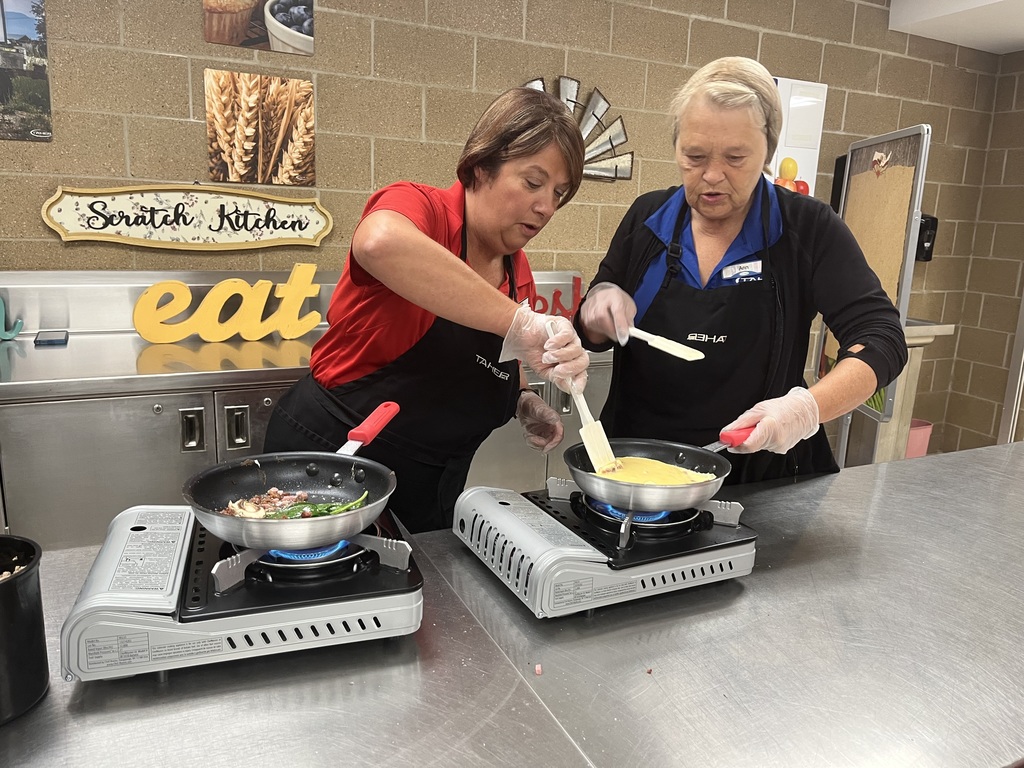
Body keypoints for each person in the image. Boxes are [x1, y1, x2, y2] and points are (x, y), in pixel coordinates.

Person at [264, 86, 589, 532]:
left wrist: (524, 399)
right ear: (480, 166)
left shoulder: (518, 273)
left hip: (432, 487)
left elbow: (500, 359)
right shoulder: (422, 209)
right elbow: (379, 242)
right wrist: (520, 321)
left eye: (559, 193)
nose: (546, 206)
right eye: (533, 183)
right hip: (333, 463)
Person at [573, 57, 908, 484]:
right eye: (694, 156)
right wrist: (597, 305)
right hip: (634, 472)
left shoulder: (807, 229)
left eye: (735, 157)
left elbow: (881, 337)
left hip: (760, 475)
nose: (712, 176)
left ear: (768, 151)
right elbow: (594, 333)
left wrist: (806, 409)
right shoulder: (648, 218)